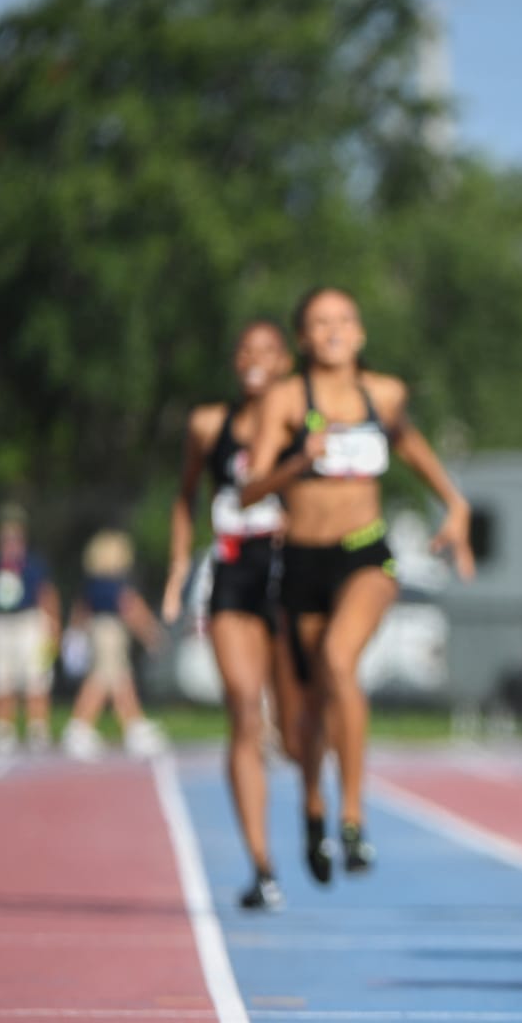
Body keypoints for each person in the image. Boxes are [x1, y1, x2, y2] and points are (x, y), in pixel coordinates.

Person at [241, 288, 476, 880]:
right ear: (302, 339)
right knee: (302, 726)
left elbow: (411, 443)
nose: (334, 330)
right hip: (299, 562)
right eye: (320, 323)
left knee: (340, 661)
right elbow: (250, 490)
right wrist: (299, 459)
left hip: (364, 555)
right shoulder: (287, 398)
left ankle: (351, 816)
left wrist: (453, 502)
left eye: (344, 319)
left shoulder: (384, 393)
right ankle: (314, 807)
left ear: (362, 332)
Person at [161, 318, 322, 909]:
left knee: (296, 727)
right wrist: (179, 567)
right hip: (233, 570)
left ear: (285, 362)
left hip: (292, 569)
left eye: (267, 351)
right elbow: (184, 496)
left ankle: (314, 809)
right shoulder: (209, 424)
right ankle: (262, 866)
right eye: (245, 349)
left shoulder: (306, 423)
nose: (255, 359)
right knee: (242, 710)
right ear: (235, 361)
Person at [58, 529, 168, 761]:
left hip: (99, 632)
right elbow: (131, 608)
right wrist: (151, 633)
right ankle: (79, 726)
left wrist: (74, 634)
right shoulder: (115, 585)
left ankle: (133, 725)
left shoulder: (92, 584)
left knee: (121, 679)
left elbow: (80, 611)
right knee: (101, 679)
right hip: (109, 632)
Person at [0, 505, 61, 754]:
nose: (11, 544)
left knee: (36, 677)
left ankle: (37, 728)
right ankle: (3, 730)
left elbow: (47, 596)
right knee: (0, 679)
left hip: (30, 622)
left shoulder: (34, 565)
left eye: (15, 539)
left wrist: (54, 627)